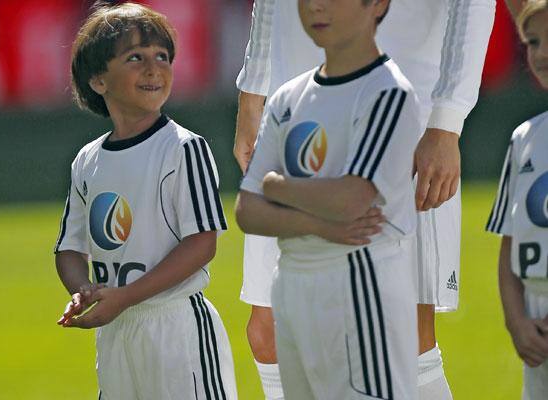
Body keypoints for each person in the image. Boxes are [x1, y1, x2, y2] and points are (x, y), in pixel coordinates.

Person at [234, 1, 495, 398]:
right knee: (268, 334)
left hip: (407, 97)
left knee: (404, 339)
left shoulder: (393, 99)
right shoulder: (287, 99)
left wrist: (447, 120)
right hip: (294, 95)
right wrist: (252, 91)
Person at [53, 3, 237, 399]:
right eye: (135, 57)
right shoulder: (87, 160)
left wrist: (125, 297)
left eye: (162, 57)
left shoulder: (185, 148)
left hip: (176, 330)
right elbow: (70, 247)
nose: (154, 68)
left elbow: (202, 242)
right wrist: (83, 290)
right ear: (98, 79)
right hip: (116, 331)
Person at [487, 1, 548, 397]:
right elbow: (509, 246)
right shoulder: (524, 137)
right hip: (536, 324)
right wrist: (516, 321)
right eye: (532, 41)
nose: (541, 53)